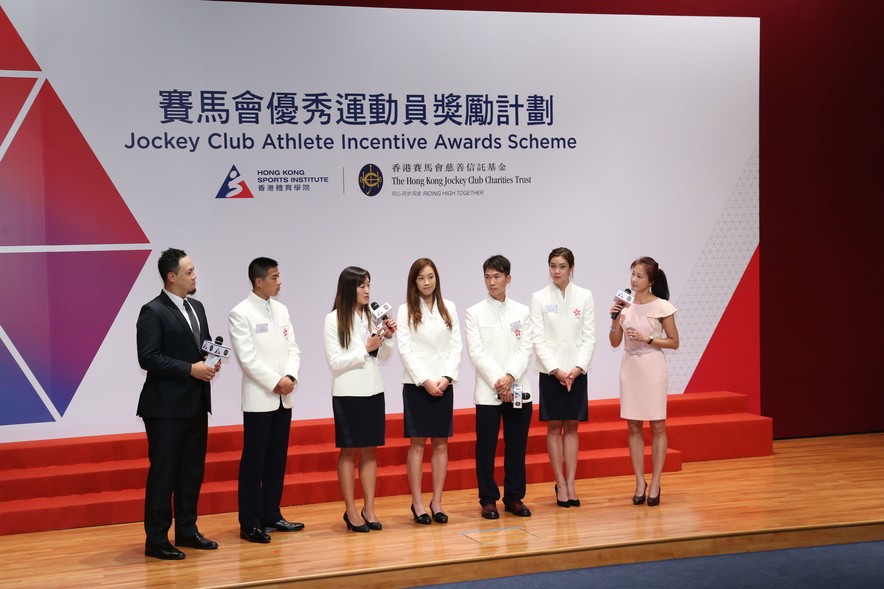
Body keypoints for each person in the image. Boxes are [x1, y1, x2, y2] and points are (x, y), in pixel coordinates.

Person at [136, 248, 219, 560]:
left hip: (196, 403)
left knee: (191, 471)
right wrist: (190, 369)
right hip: (165, 409)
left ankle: (187, 529)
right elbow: (148, 357)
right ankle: (156, 539)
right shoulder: (152, 311)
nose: (195, 275)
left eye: (194, 269)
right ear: (171, 277)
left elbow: (202, 348)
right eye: (189, 271)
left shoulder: (196, 307)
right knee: (164, 473)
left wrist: (210, 362)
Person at [228, 257, 304, 544]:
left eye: (279, 275)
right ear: (258, 281)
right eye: (274, 277)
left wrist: (290, 377)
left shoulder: (281, 310)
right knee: (254, 462)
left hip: (284, 397)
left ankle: (271, 513)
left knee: (276, 460)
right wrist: (276, 382)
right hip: (261, 398)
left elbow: (293, 348)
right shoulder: (240, 313)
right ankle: (249, 521)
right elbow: (247, 359)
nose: (279, 281)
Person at [323, 266, 396, 532]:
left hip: (374, 390)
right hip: (348, 393)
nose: (367, 290)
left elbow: (384, 357)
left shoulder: (372, 316)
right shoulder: (333, 320)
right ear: (349, 288)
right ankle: (351, 510)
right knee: (348, 451)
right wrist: (365, 349)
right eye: (362, 286)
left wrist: (387, 339)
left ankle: (369, 507)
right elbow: (336, 361)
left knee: (370, 451)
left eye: (369, 285)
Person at [465, 255, 534, 519]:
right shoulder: (474, 312)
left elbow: (525, 348)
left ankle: (514, 497)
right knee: (486, 448)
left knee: (516, 446)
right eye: (487, 277)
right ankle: (488, 499)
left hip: (517, 388)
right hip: (488, 391)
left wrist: (510, 377)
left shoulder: (522, 311)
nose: (491, 282)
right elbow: (477, 353)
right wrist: (499, 380)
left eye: (496, 276)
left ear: (508, 278)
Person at [609, 256, 679, 506]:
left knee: (658, 426)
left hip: (652, 366)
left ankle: (657, 480)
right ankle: (639, 480)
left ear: (651, 281)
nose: (634, 279)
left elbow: (674, 342)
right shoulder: (624, 305)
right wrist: (615, 319)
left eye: (639, 276)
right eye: (632, 274)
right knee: (633, 426)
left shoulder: (662, 306)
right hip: (630, 367)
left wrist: (647, 338)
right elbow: (614, 342)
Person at [396, 258, 462, 525]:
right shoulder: (405, 310)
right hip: (417, 385)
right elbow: (406, 349)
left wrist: (445, 378)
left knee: (441, 444)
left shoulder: (450, 308)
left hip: (443, 384)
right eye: (421, 278)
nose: (426, 282)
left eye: (430, 277)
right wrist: (425, 380)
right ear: (414, 282)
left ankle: (437, 501)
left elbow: (455, 347)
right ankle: (418, 503)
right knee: (417, 445)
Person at [530, 247, 596, 508]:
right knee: (554, 427)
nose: (556, 271)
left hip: (577, 372)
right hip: (551, 372)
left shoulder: (585, 296)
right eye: (553, 266)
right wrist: (556, 370)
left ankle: (570, 482)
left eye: (562, 266)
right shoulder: (539, 297)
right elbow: (538, 338)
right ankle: (558, 481)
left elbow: (589, 336)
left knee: (572, 427)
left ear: (571, 269)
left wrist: (578, 368)